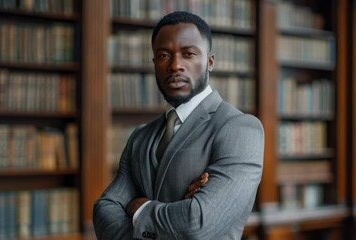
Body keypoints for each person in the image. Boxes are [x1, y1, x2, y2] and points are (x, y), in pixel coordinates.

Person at [93, 11, 264, 240]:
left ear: (210, 62)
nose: (175, 65)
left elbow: (197, 221)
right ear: (154, 64)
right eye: (164, 55)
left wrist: (138, 208)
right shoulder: (141, 137)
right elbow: (104, 209)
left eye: (189, 54)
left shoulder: (240, 129)